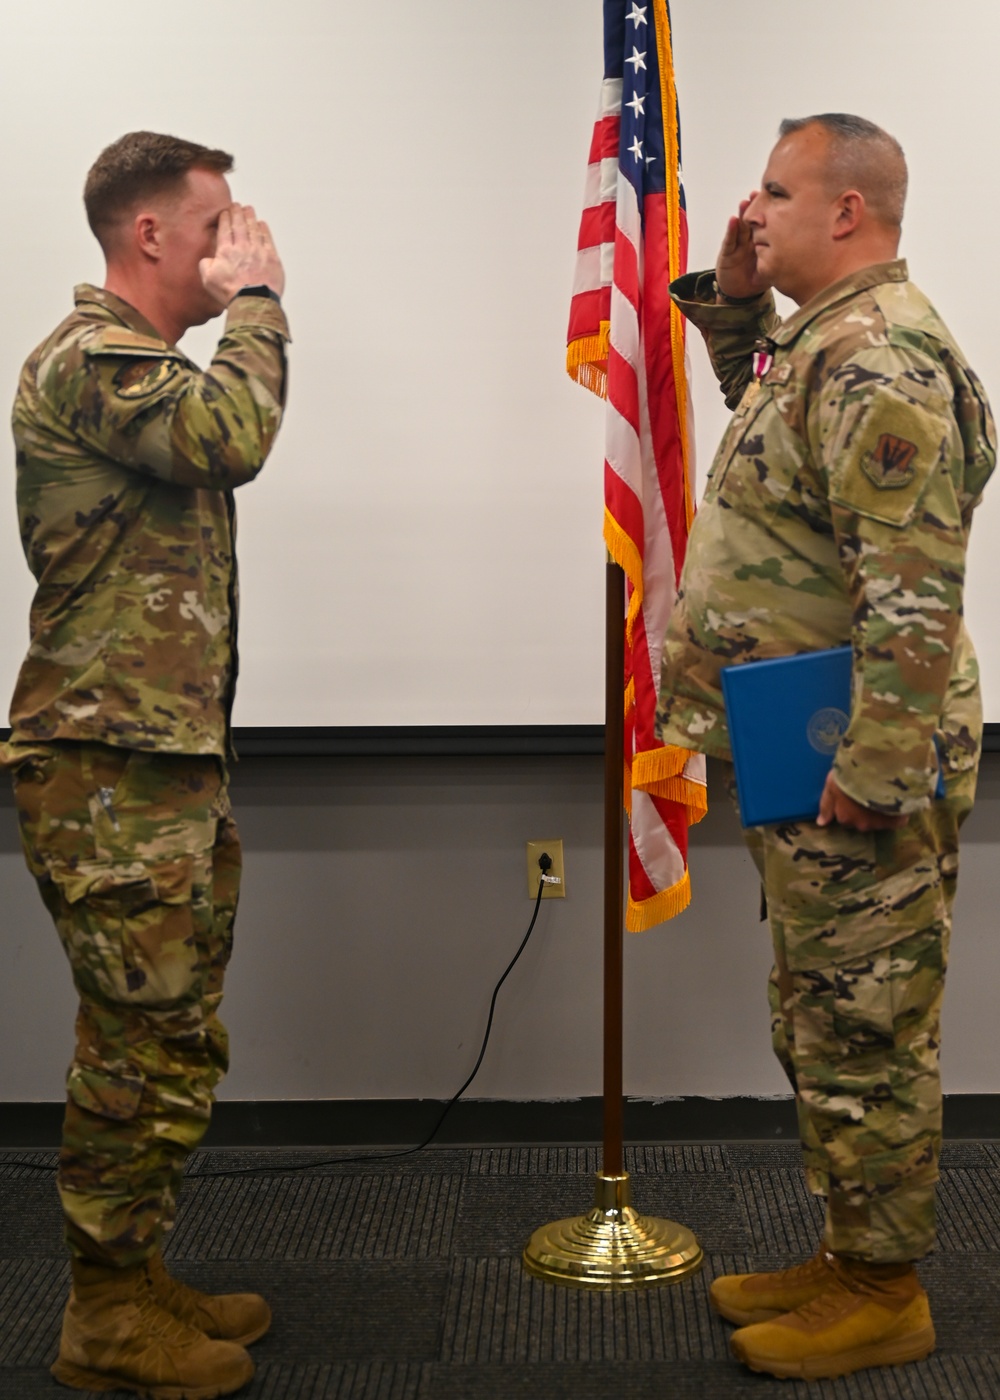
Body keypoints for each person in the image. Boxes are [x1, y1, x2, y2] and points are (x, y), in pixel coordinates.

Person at [656, 114, 995, 1381]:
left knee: (870, 1022)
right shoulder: (819, 347)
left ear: (846, 211)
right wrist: (734, 303)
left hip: (856, 761)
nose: (753, 210)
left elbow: (912, 588)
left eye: (776, 192)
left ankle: (885, 1286)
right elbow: (769, 426)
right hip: (808, 748)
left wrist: (874, 768)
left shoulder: (880, 360)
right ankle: (849, 1247)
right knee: (822, 1014)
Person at [1, 131, 289, 1397]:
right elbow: (231, 435)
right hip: (110, 768)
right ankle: (105, 1316)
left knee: (171, 1034)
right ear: (149, 236)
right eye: (217, 220)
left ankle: (134, 1273)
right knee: (138, 1039)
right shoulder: (96, 358)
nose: (238, 238)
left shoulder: (142, 366)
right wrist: (265, 304)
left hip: (158, 766)